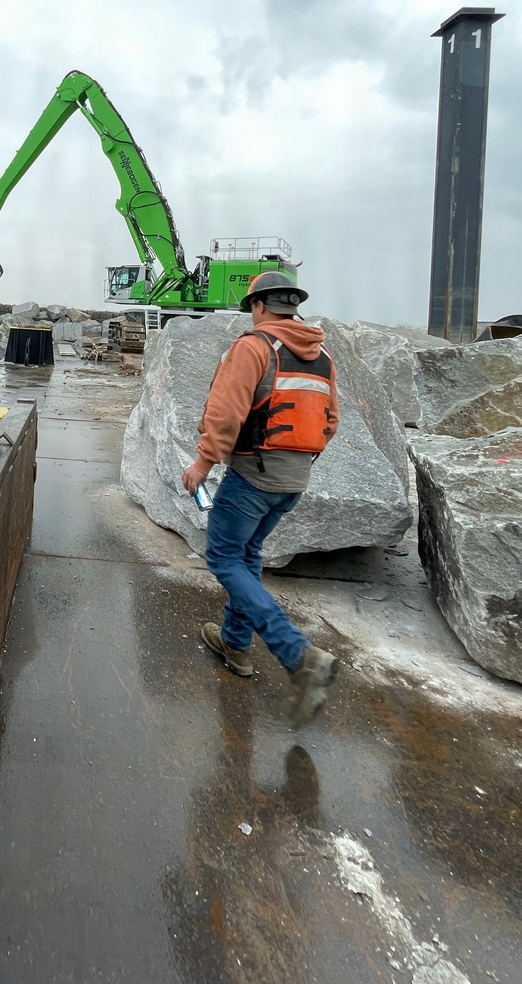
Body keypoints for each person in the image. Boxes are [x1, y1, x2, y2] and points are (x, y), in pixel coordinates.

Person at [181, 271, 340, 726]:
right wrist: (295, 462)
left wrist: (202, 464)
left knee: (225, 559)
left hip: (253, 477)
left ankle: (299, 655)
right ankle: (235, 645)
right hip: (293, 482)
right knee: (248, 555)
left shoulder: (253, 348)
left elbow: (226, 412)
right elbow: (330, 421)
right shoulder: (322, 355)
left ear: (258, 305)